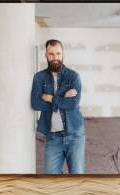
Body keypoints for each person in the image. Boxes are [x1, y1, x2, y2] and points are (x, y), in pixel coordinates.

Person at [31, 39, 85, 174]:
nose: (55, 58)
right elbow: (36, 103)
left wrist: (50, 98)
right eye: (51, 54)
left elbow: (73, 104)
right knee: (50, 177)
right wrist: (62, 100)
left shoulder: (73, 77)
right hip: (52, 136)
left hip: (75, 134)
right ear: (46, 55)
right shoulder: (39, 77)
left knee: (77, 174)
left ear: (63, 54)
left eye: (58, 54)